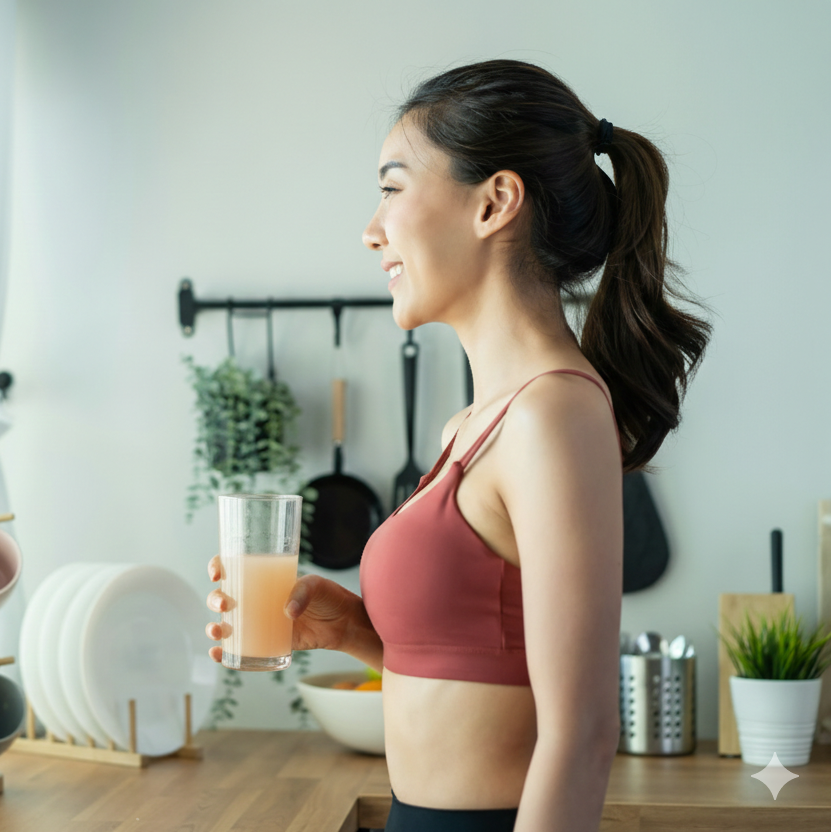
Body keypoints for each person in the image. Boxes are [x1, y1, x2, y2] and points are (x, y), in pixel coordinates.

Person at [206, 59, 711, 832]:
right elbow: (485, 670)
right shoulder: (470, 427)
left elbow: (582, 736)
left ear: (495, 202)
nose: (371, 230)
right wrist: (355, 633)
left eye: (392, 188)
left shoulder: (553, 414)